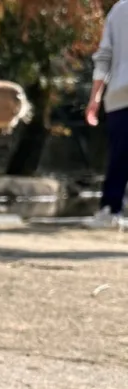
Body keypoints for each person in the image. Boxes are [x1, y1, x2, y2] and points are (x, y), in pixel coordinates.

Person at [87, 0, 128, 230]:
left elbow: (104, 56)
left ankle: (110, 210)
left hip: (119, 94)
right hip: (120, 94)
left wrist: (95, 96)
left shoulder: (119, 9)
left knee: (119, 157)